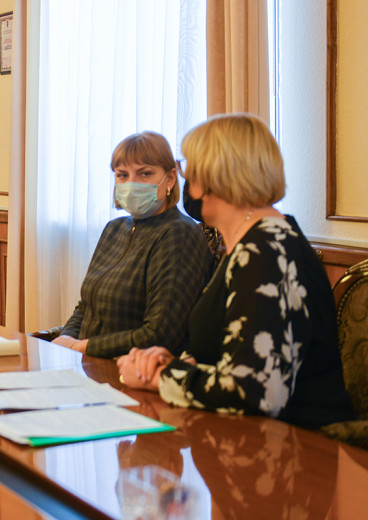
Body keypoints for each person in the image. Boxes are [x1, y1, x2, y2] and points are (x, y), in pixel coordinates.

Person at [118, 113, 354, 429]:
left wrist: (161, 377)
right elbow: (230, 354)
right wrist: (174, 362)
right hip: (245, 434)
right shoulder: (250, 243)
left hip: (299, 444)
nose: (186, 182)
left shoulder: (265, 250)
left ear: (216, 176)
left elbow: (255, 391)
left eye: (190, 169)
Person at [52, 132, 213, 358]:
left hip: (135, 369)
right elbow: (87, 306)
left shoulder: (179, 233)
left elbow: (159, 334)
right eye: (122, 175)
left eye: (145, 174)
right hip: (87, 361)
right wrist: (66, 340)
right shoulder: (114, 228)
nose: (131, 183)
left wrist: (84, 347)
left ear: (170, 178)